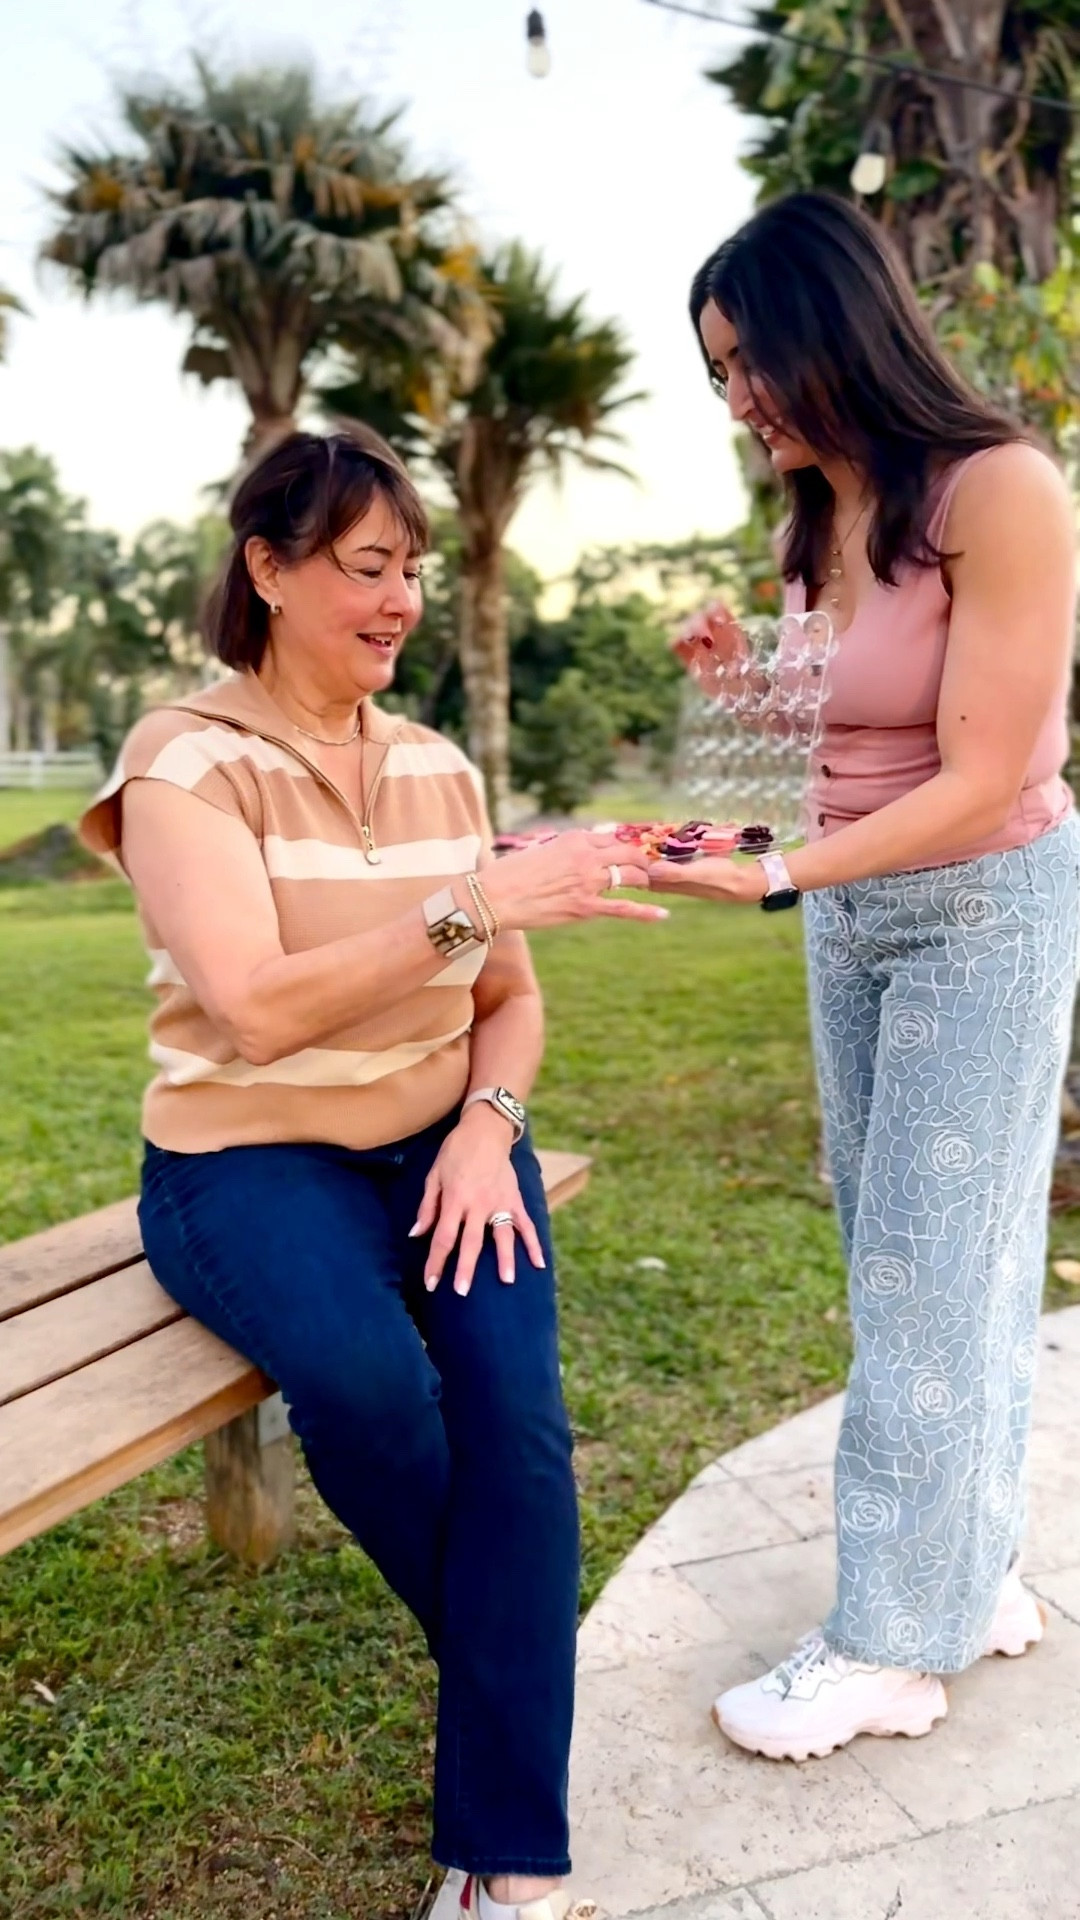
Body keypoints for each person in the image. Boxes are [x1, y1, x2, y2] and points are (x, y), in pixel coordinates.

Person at [79, 426, 666, 1920]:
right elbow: (255, 1003)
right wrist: (475, 900)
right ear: (268, 572)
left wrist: (491, 1131)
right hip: (249, 1160)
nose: (401, 596)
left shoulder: (439, 761)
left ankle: (502, 1868)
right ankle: (518, 1713)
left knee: (522, 1438)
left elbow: (512, 1001)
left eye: (410, 566)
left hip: (451, 1146)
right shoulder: (184, 761)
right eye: (365, 566)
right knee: (372, 1392)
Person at [657, 191, 1080, 1763]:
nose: (740, 400)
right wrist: (743, 676)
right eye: (717, 374)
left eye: (751, 360)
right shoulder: (819, 513)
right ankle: (965, 1584)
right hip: (858, 914)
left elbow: (979, 770)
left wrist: (772, 874)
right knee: (914, 1260)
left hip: (981, 903)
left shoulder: (1003, 487)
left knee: (927, 1273)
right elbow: (842, 733)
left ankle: (892, 1645)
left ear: (840, 327)